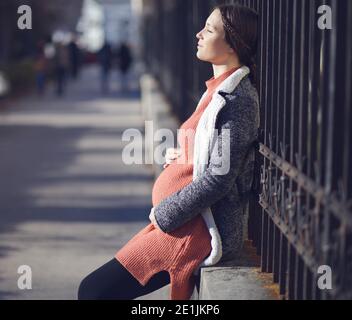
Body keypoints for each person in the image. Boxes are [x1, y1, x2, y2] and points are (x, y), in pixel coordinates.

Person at [78, 4, 260, 300]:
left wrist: (165, 214)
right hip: (180, 222)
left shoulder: (237, 100)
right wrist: (183, 155)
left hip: (196, 230)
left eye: (210, 30)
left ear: (233, 44)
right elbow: (205, 151)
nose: (199, 34)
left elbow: (218, 178)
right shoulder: (216, 90)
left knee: (94, 291)